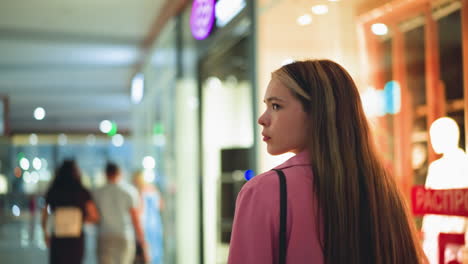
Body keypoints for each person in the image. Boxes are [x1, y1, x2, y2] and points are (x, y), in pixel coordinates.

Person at [227, 59, 427, 264]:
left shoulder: (263, 191)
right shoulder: (382, 188)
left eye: (276, 106)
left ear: (317, 113)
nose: (262, 118)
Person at [422, 117, 468, 264]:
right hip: (435, 237)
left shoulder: (464, 165)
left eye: (435, 135)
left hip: (459, 238)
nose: (432, 140)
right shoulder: (435, 168)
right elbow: (428, 207)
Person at [41, 159, 99, 264]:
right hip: (75, 239)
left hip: (58, 238)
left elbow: (44, 214)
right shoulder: (82, 191)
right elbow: (94, 216)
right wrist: (79, 220)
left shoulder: (54, 190)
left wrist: (45, 233)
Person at [93, 162, 148, 264]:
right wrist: (142, 240)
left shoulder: (97, 192)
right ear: (120, 173)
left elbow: (94, 216)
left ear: (105, 174)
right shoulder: (129, 191)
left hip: (104, 235)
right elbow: (135, 217)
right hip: (124, 235)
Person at [132, 170, 164, 264]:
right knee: (156, 252)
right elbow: (160, 206)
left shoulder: (140, 192)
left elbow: (138, 211)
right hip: (156, 225)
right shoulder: (153, 190)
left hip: (145, 225)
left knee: (147, 252)